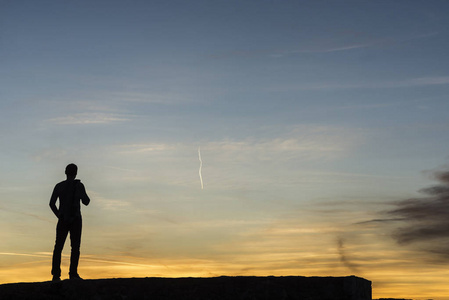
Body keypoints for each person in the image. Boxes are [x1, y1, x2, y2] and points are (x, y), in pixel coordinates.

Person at [49, 163, 90, 282]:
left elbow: (51, 204)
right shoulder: (79, 185)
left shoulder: (59, 186)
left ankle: (56, 275)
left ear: (65, 172)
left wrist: (59, 215)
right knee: (75, 247)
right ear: (76, 173)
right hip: (75, 219)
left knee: (59, 247)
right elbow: (86, 201)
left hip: (64, 219)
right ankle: (72, 274)